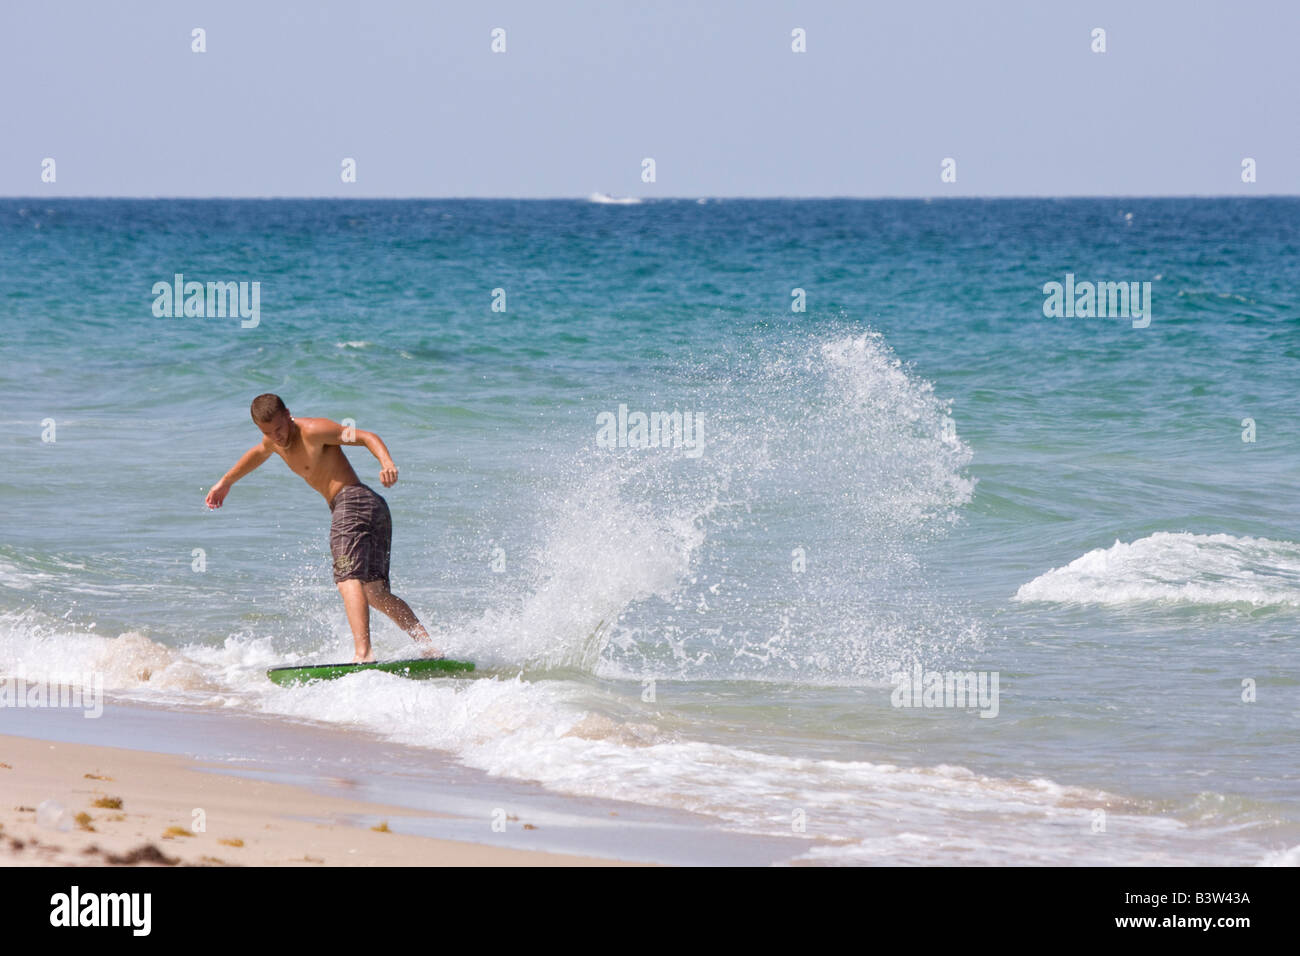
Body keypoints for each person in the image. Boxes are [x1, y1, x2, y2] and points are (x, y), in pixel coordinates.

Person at [204, 393, 439, 663]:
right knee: (374, 592)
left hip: (352, 501)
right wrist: (225, 482)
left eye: (279, 428)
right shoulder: (272, 441)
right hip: (371, 507)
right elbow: (257, 453)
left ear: (288, 414)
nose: (276, 437)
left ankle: (364, 654)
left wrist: (386, 463)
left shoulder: (315, 430)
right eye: (267, 432)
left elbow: (366, 436)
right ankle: (430, 647)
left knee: (347, 579)